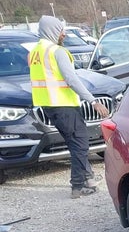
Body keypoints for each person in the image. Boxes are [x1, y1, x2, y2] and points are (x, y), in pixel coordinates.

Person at [28, 15, 110, 198]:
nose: (63, 34)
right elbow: (71, 79)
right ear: (52, 31)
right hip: (63, 105)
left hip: (48, 106)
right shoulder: (56, 51)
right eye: (60, 30)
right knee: (80, 145)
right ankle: (78, 185)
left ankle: (88, 178)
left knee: (74, 143)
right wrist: (93, 101)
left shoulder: (34, 52)